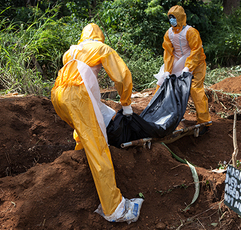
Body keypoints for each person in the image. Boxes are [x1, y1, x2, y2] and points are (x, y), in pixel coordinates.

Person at [51, 23, 143, 223]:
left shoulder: (71, 51)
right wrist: (126, 104)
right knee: (99, 148)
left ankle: (79, 153)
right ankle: (114, 209)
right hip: (77, 97)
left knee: (83, 131)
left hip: (58, 96)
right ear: (99, 37)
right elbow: (122, 76)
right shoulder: (100, 48)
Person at [155, 5, 212, 134]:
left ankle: (204, 122)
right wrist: (167, 70)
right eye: (170, 18)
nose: (172, 20)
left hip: (196, 64)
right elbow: (168, 53)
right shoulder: (169, 33)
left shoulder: (191, 32)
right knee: (162, 84)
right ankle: (157, 115)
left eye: (174, 17)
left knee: (195, 89)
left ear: (180, 17)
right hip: (178, 63)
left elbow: (196, 50)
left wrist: (188, 67)